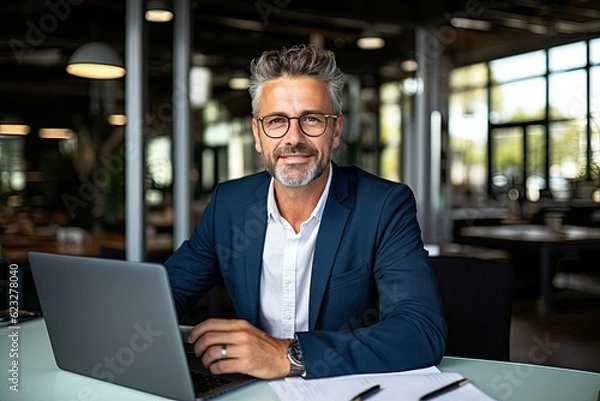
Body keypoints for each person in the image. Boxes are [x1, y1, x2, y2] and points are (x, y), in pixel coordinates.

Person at [164, 44, 446, 380]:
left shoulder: (383, 206)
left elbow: (420, 331)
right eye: (276, 121)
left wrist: (290, 355)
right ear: (257, 134)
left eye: (311, 119)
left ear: (336, 130)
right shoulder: (230, 204)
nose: (293, 138)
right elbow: (168, 293)